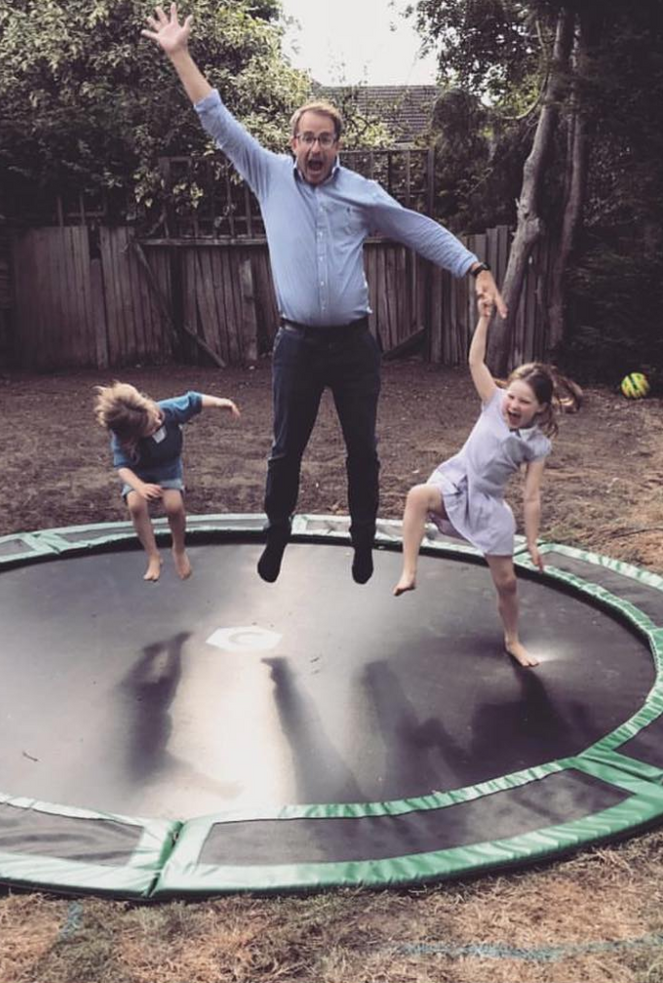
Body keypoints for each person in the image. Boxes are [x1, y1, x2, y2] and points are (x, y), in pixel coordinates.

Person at [143, 4, 508, 586]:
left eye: (326, 140)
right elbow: (214, 116)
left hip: (354, 345)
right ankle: (276, 536)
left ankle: (364, 543)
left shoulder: (360, 193)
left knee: (363, 450)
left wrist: (476, 266)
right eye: (307, 139)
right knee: (285, 449)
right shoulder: (265, 174)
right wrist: (179, 53)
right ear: (292, 144)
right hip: (296, 345)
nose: (316, 149)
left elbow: (415, 226)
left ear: (337, 145)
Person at [392, 301, 582, 668]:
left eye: (523, 402)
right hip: (455, 483)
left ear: (541, 408)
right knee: (417, 496)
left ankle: (513, 640)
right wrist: (483, 319)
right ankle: (410, 572)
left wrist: (531, 541)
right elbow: (475, 362)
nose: (513, 405)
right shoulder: (492, 402)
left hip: (489, 507)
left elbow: (530, 497)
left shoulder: (538, 445)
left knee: (508, 582)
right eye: (511, 395)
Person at [93, 381, 240, 582]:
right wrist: (139, 486)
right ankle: (153, 556)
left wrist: (220, 403)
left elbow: (194, 400)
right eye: (151, 428)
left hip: (167, 467)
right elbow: (123, 468)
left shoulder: (168, 410)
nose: (157, 424)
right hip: (138, 473)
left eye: (154, 419)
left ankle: (178, 550)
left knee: (174, 506)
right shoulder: (122, 437)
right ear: (132, 436)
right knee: (135, 506)